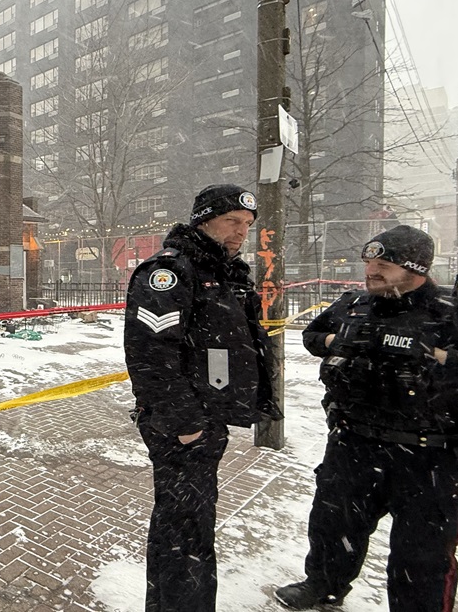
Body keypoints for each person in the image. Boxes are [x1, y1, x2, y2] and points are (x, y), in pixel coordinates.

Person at [275, 225, 458, 611]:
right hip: (352, 443)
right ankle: (324, 586)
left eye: (384, 264)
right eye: (369, 262)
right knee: (333, 529)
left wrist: (440, 357)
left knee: (422, 554)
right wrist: (339, 342)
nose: (371, 271)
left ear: (415, 268)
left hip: (428, 455)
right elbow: (312, 335)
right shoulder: (354, 305)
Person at [124, 184, 281, 612]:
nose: (240, 232)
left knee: (190, 527)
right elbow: (151, 356)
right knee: (184, 533)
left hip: (207, 420)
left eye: (247, 225)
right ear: (203, 219)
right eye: (232, 221)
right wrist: (188, 426)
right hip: (182, 426)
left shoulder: (227, 272)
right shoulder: (171, 273)